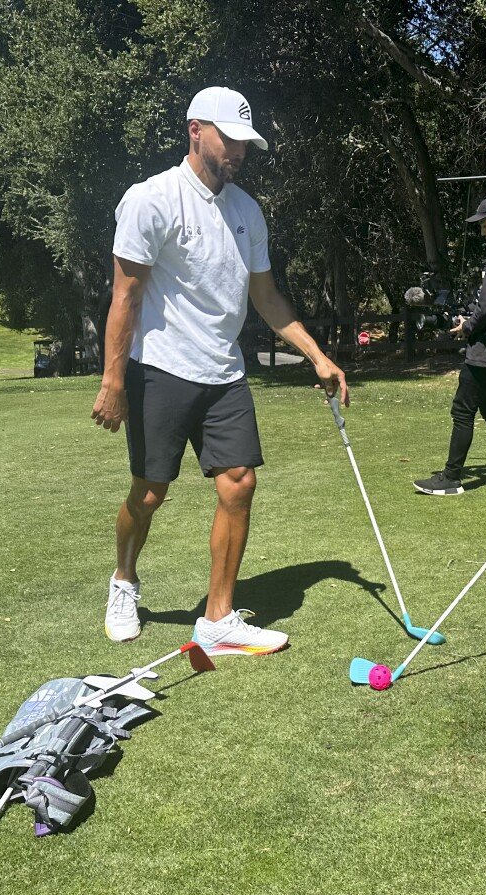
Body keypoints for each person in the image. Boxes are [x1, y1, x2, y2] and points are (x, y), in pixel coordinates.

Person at [91, 86, 348, 653]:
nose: (238, 152)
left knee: (240, 483)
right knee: (150, 492)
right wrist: (113, 381)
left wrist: (318, 355)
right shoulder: (151, 199)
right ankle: (123, 580)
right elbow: (125, 296)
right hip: (159, 368)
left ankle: (218, 619)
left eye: (245, 144)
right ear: (195, 130)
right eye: (229, 140)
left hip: (224, 372)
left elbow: (267, 297)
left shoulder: (246, 211)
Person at [413, 195, 486, 496]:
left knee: (462, 410)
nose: (482, 232)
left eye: (484, 225)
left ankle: (451, 478)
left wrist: (466, 326)